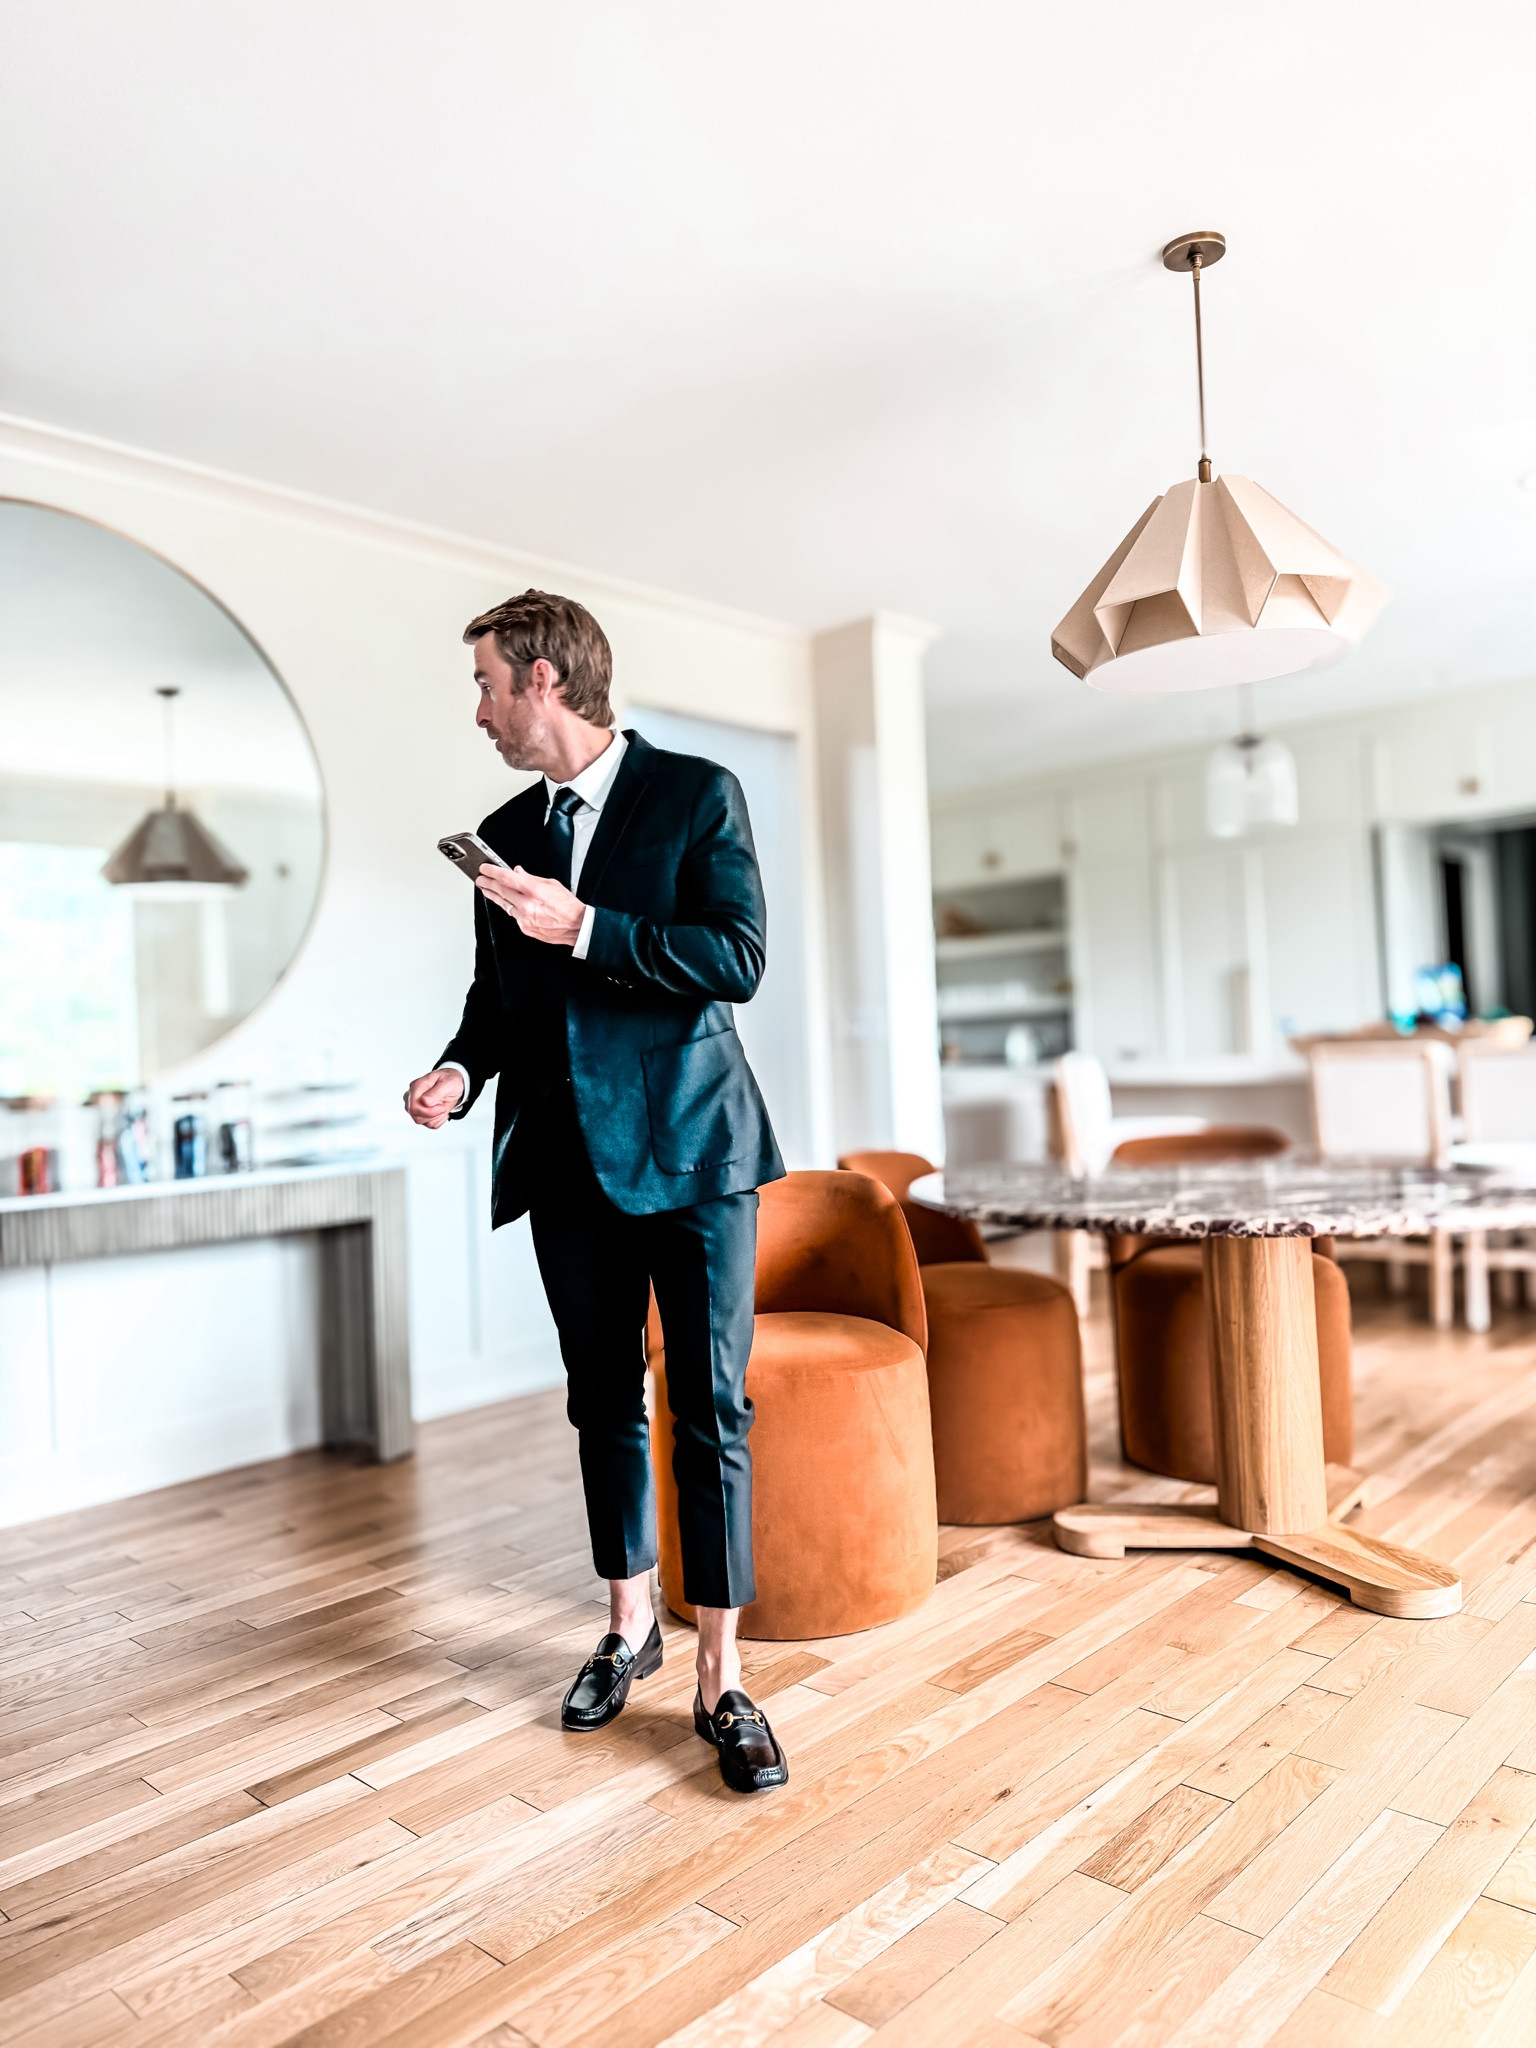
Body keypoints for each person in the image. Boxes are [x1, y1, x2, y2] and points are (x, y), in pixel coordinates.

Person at [404, 589, 789, 1794]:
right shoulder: (504, 826)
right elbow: (497, 1001)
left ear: (544, 679)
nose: (476, 710)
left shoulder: (696, 793)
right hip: (565, 1158)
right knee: (598, 1398)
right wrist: (461, 1068)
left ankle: (722, 1673)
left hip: (693, 1150)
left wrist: (590, 926)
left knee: (709, 1410)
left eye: (484, 683)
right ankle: (628, 1624)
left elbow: (736, 957)